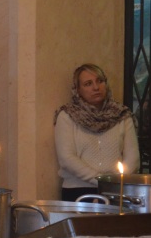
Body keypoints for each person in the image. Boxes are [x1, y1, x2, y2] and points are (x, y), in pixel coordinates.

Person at [54, 63, 139, 201]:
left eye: (100, 81)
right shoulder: (67, 116)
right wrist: (100, 180)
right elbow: (66, 158)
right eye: (88, 84)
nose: (96, 87)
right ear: (78, 89)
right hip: (78, 191)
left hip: (117, 189)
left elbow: (133, 158)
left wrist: (117, 182)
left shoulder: (122, 114)